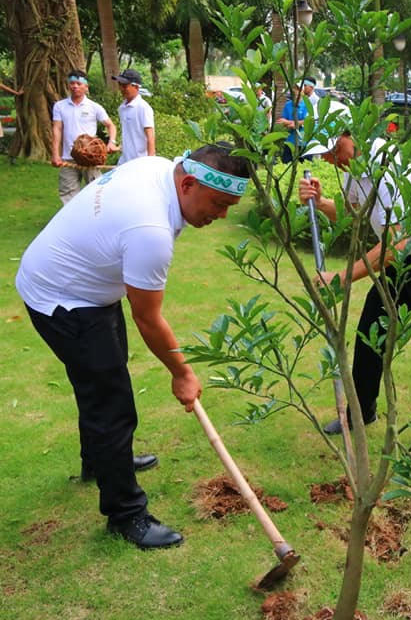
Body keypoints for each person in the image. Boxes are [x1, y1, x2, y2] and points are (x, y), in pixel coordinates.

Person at [16, 143, 252, 550]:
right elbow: (148, 316)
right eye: (218, 203)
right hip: (64, 300)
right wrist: (183, 373)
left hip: (78, 286)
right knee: (113, 405)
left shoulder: (159, 168)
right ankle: (127, 515)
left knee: (102, 384)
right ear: (189, 183)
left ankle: (103, 461)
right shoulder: (150, 230)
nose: (222, 215)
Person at [298, 131, 411, 459]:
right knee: (370, 335)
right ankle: (361, 413)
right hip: (401, 261)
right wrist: (321, 202)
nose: (331, 159)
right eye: (324, 155)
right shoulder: (355, 167)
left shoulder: (387, 166)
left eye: (334, 149)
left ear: (352, 134)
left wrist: (341, 276)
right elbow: (353, 212)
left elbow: (395, 244)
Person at [51, 69, 119, 205]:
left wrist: (111, 142)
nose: (75, 86)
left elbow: (111, 126)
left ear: (86, 87)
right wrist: (55, 154)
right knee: (68, 192)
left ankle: (95, 220)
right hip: (68, 157)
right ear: (68, 85)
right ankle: (73, 220)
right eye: (72, 83)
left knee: (95, 192)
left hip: (89, 157)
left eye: (78, 83)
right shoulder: (60, 106)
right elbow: (57, 129)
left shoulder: (94, 107)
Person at [112, 68, 155, 165]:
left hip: (140, 162)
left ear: (136, 87)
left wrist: (151, 163)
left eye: (125, 86)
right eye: (120, 85)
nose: (122, 89)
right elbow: (129, 134)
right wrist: (119, 147)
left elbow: (150, 136)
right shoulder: (122, 108)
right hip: (125, 161)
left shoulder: (143, 108)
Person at [278, 84, 308, 164]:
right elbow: (282, 121)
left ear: (302, 91)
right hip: (290, 140)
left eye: (298, 89)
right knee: (286, 163)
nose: (296, 91)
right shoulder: (288, 105)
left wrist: (294, 124)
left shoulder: (307, 105)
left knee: (304, 164)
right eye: (294, 89)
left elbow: (307, 121)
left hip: (303, 141)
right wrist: (295, 123)